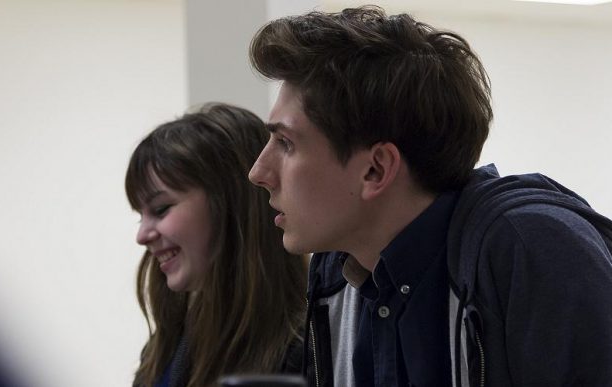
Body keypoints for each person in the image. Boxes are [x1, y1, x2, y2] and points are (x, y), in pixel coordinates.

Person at [247, 6, 612, 387]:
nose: (258, 172)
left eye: (286, 143)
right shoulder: (339, 270)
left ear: (375, 170)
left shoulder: (534, 251)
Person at [125, 103, 308, 387]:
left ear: (231, 205)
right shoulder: (167, 347)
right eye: (141, 216)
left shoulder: (311, 349)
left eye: (161, 210)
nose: (143, 236)